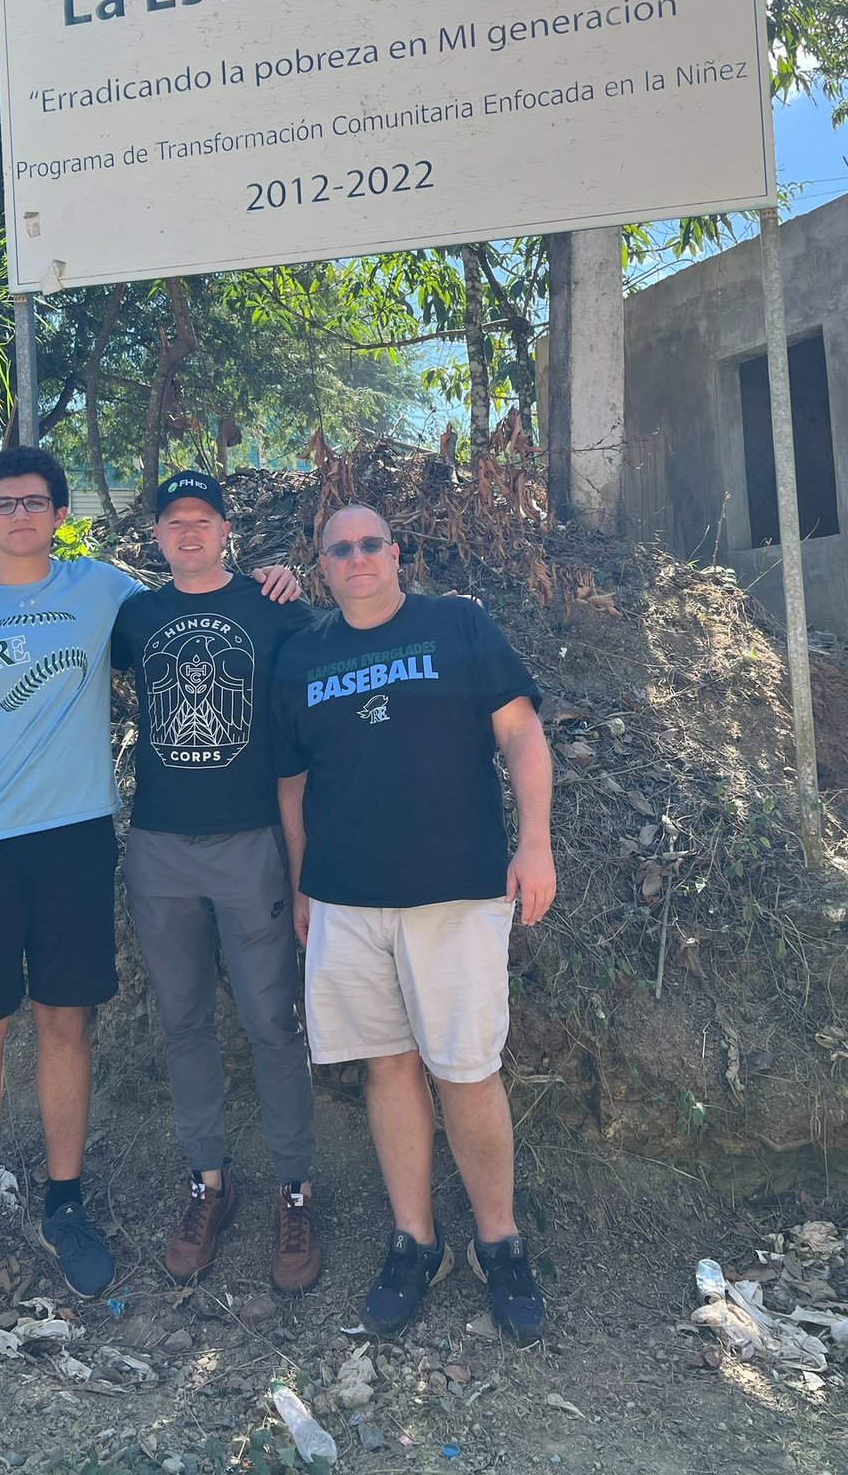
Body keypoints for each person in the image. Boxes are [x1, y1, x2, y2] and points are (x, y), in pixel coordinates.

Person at [0, 448, 297, 1326]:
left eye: (37, 502)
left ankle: (64, 1207)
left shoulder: (104, 591)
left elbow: (197, 589)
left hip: (78, 840)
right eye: (6, 505)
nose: (22, 516)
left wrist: (275, 576)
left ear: (59, 512)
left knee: (65, 1025)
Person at [272, 503, 556, 1343]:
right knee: (388, 1069)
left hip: (457, 892)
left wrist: (534, 846)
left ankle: (498, 1244)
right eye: (339, 549)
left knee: (466, 1070)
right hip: (346, 902)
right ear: (321, 565)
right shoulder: (302, 657)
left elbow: (523, 735)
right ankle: (414, 1242)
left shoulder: (457, 625)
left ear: (396, 554)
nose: (356, 558)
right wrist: (300, 888)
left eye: (370, 544)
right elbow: (291, 788)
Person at [110, 471, 320, 1292]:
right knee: (184, 1021)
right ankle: (209, 1182)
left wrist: (291, 576)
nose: (188, 532)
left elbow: (328, 667)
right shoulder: (135, 617)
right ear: (157, 536)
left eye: (202, 520)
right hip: (160, 846)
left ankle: (294, 1190)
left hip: (251, 845)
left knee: (274, 1022)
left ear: (227, 530)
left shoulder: (273, 607)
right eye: (173, 522)